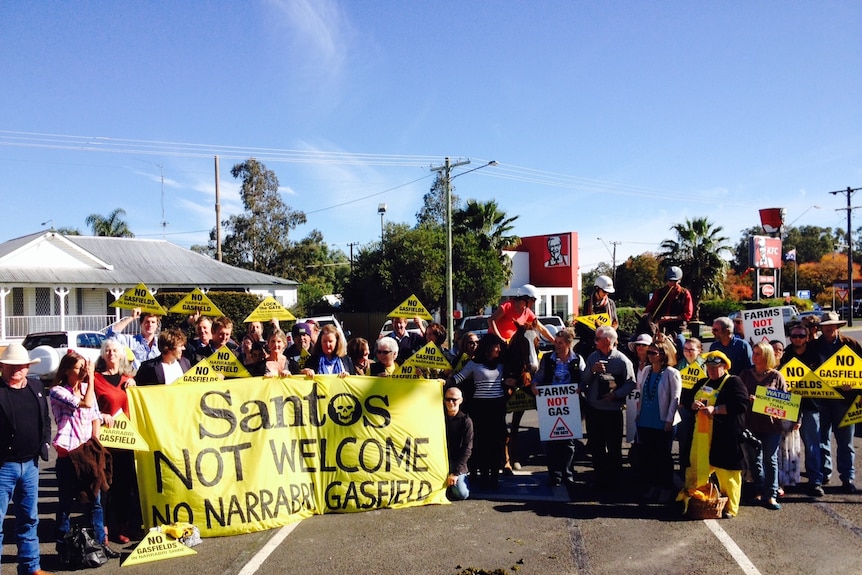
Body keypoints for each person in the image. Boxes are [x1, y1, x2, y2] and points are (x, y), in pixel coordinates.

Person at [50, 351, 120, 564]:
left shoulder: (85, 389)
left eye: (85, 367)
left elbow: (95, 416)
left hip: (87, 452)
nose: (83, 371)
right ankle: (63, 547)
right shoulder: (57, 391)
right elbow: (86, 404)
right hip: (69, 454)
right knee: (66, 504)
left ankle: (100, 544)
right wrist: (91, 379)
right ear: (66, 370)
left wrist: (95, 445)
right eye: (79, 367)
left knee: (95, 502)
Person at [0, 343, 52, 575]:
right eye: (10, 366)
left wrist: (45, 442)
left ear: (27, 366)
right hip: (3, 466)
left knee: (29, 520)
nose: (16, 370)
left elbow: (45, 418)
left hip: (31, 464)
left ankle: (31, 567)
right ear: (2, 366)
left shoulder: (36, 386)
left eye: (20, 366)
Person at [680, 351, 749, 519]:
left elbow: (741, 404)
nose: (711, 370)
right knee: (696, 467)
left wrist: (716, 409)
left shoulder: (734, 382)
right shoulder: (703, 381)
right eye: (709, 367)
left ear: (724, 366)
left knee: (727, 472)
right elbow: (687, 399)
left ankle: (730, 508)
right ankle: (695, 498)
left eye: (715, 367)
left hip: (724, 436)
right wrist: (693, 405)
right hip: (701, 435)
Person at [449, 333, 510, 490]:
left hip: (498, 408)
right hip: (480, 409)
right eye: (496, 346)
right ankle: (483, 476)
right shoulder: (474, 364)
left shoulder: (503, 364)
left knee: (497, 442)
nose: (499, 349)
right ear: (489, 347)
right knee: (481, 443)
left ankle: (495, 477)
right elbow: (458, 378)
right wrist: (442, 380)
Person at [93, 339, 139, 543]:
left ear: (121, 355)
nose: (111, 353)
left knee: (123, 486)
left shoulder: (127, 380)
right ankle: (103, 528)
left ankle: (122, 526)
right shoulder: (95, 379)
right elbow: (89, 406)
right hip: (104, 442)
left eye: (115, 351)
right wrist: (102, 416)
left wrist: (134, 385)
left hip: (126, 442)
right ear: (103, 355)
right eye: (107, 351)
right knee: (104, 488)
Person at [810, 311, 862, 493]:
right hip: (821, 401)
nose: (829, 329)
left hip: (845, 402)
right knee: (821, 438)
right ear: (821, 328)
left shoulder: (851, 344)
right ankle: (825, 472)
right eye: (826, 326)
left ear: (838, 327)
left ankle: (848, 477)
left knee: (845, 442)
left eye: (832, 326)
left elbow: (860, 372)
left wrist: (853, 386)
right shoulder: (814, 346)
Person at [582, 325, 636, 489]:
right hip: (594, 410)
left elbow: (631, 383)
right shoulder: (592, 357)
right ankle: (599, 478)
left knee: (614, 448)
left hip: (613, 411)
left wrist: (616, 395)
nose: (594, 341)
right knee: (596, 447)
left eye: (597, 338)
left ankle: (616, 480)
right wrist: (592, 370)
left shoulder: (622, 360)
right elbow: (583, 382)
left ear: (607, 341)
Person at [533, 329, 584, 494]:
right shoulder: (548, 359)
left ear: (569, 344)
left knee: (569, 442)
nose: (557, 346)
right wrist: (534, 385)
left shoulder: (577, 360)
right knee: (552, 441)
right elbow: (539, 377)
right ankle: (555, 476)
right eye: (556, 342)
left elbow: (584, 380)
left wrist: (581, 388)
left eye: (560, 343)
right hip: (550, 405)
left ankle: (568, 475)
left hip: (570, 406)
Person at [740, 341, 788, 510]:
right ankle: (758, 490)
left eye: (758, 353)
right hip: (750, 423)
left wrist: (763, 402)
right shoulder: (745, 374)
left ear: (767, 355)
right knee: (753, 459)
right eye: (753, 353)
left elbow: (785, 403)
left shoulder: (776, 376)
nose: (754, 356)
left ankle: (771, 494)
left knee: (770, 459)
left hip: (771, 425)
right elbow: (738, 396)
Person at [636, 339, 682, 504]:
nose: (649, 355)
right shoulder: (647, 370)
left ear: (663, 355)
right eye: (649, 352)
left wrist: (669, 419)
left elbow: (675, 398)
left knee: (663, 457)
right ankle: (653, 486)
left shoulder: (672, 373)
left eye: (653, 353)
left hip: (663, 420)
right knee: (649, 457)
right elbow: (641, 391)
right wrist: (638, 413)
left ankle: (666, 488)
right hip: (646, 419)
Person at [781, 324, 822, 496]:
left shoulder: (815, 354)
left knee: (813, 446)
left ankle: (815, 481)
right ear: (790, 337)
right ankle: (789, 479)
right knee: (789, 446)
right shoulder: (786, 355)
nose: (797, 339)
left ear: (807, 337)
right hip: (792, 406)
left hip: (812, 406)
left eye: (801, 336)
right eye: (794, 336)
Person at [771, 338, 800, 495]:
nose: (776, 352)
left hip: (787, 416)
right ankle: (773, 482)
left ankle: (785, 481)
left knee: (786, 450)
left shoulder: (789, 369)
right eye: (773, 349)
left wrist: (798, 417)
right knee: (771, 452)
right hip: (768, 417)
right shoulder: (762, 369)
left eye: (779, 350)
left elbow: (798, 395)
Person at [487, 284, 555, 344]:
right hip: (495, 342)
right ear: (526, 298)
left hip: (511, 344)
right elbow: (491, 320)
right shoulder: (508, 306)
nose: (534, 303)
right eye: (533, 300)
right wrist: (500, 339)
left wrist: (554, 341)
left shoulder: (527, 312)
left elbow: (541, 328)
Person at [676, 338, 704, 478]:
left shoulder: (705, 366)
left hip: (701, 409)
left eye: (691, 349)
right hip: (683, 408)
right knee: (684, 441)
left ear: (699, 351)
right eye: (685, 349)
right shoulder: (680, 364)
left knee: (701, 443)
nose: (688, 352)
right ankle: (683, 474)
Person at [644, 266, 693, 344]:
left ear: (679, 280)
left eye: (674, 281)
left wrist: (669, 318)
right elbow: (649, 309)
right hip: (658, 327)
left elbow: (687, 315)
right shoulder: (659, 292)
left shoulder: (685, 294)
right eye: (669, 280)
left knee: (682, 346)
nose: (671, 284)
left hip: (675, 329)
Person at [443, 386, 473, 501]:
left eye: (454, 399)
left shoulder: (466, 421)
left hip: (456, 463)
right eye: (447, 399)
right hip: (440, 461)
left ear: (460, 400)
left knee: (463, 494)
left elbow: (467, 449)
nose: (451, 402)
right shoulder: (438, 417)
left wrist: (456, 473)